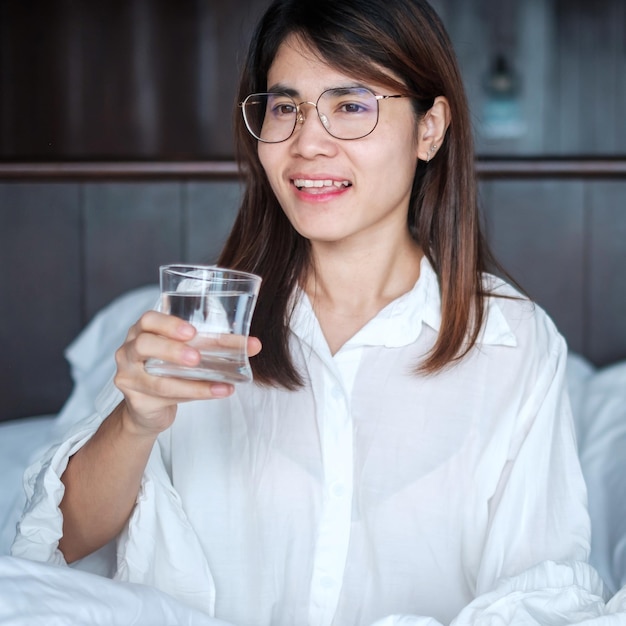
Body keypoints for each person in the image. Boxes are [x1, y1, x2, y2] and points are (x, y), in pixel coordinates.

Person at [12, 0, 608, 624]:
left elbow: (539, 595)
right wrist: (138, 420)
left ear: (429, 129)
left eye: (351, 106)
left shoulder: (512, 342)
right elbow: (59, 547)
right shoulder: (205, 322)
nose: (308, 144)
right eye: (285, 107)